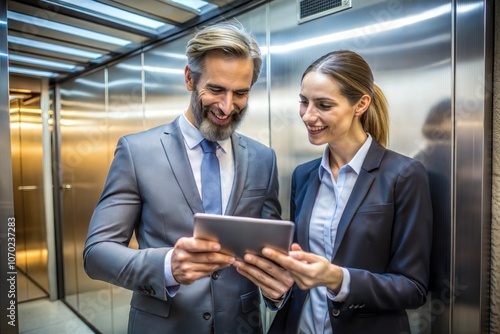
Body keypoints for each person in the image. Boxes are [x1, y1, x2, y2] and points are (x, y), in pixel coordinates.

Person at [83, 20, 282, 334]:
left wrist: (278, 288)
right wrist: (167, 266)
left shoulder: (264, 159)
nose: (227, 106)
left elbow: (269, 252)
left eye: (240, 93)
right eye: (216, 89)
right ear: (190, 78)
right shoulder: (137, 152)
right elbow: (97, 254)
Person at [234, 50, 433, 333]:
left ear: (361, 104)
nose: (308, 115)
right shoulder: (304, 175)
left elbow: (412, 288)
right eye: (303, 102)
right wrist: (277, 288)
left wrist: (338, 278)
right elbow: (299, 276)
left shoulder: (403, 175)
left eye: (324, 105)